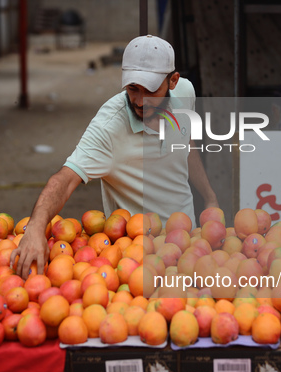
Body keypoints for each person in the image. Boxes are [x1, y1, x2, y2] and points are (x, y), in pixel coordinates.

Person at [11, 35, 218, 279]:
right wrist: (35, 227)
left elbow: (186, 143)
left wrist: (209, 196)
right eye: (132, 89)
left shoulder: (186, 92)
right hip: (137, 258)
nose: (140, 101)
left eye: (150, 90)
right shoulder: (108, 128)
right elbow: (64, 179)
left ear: (172, 81)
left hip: (187, 240)